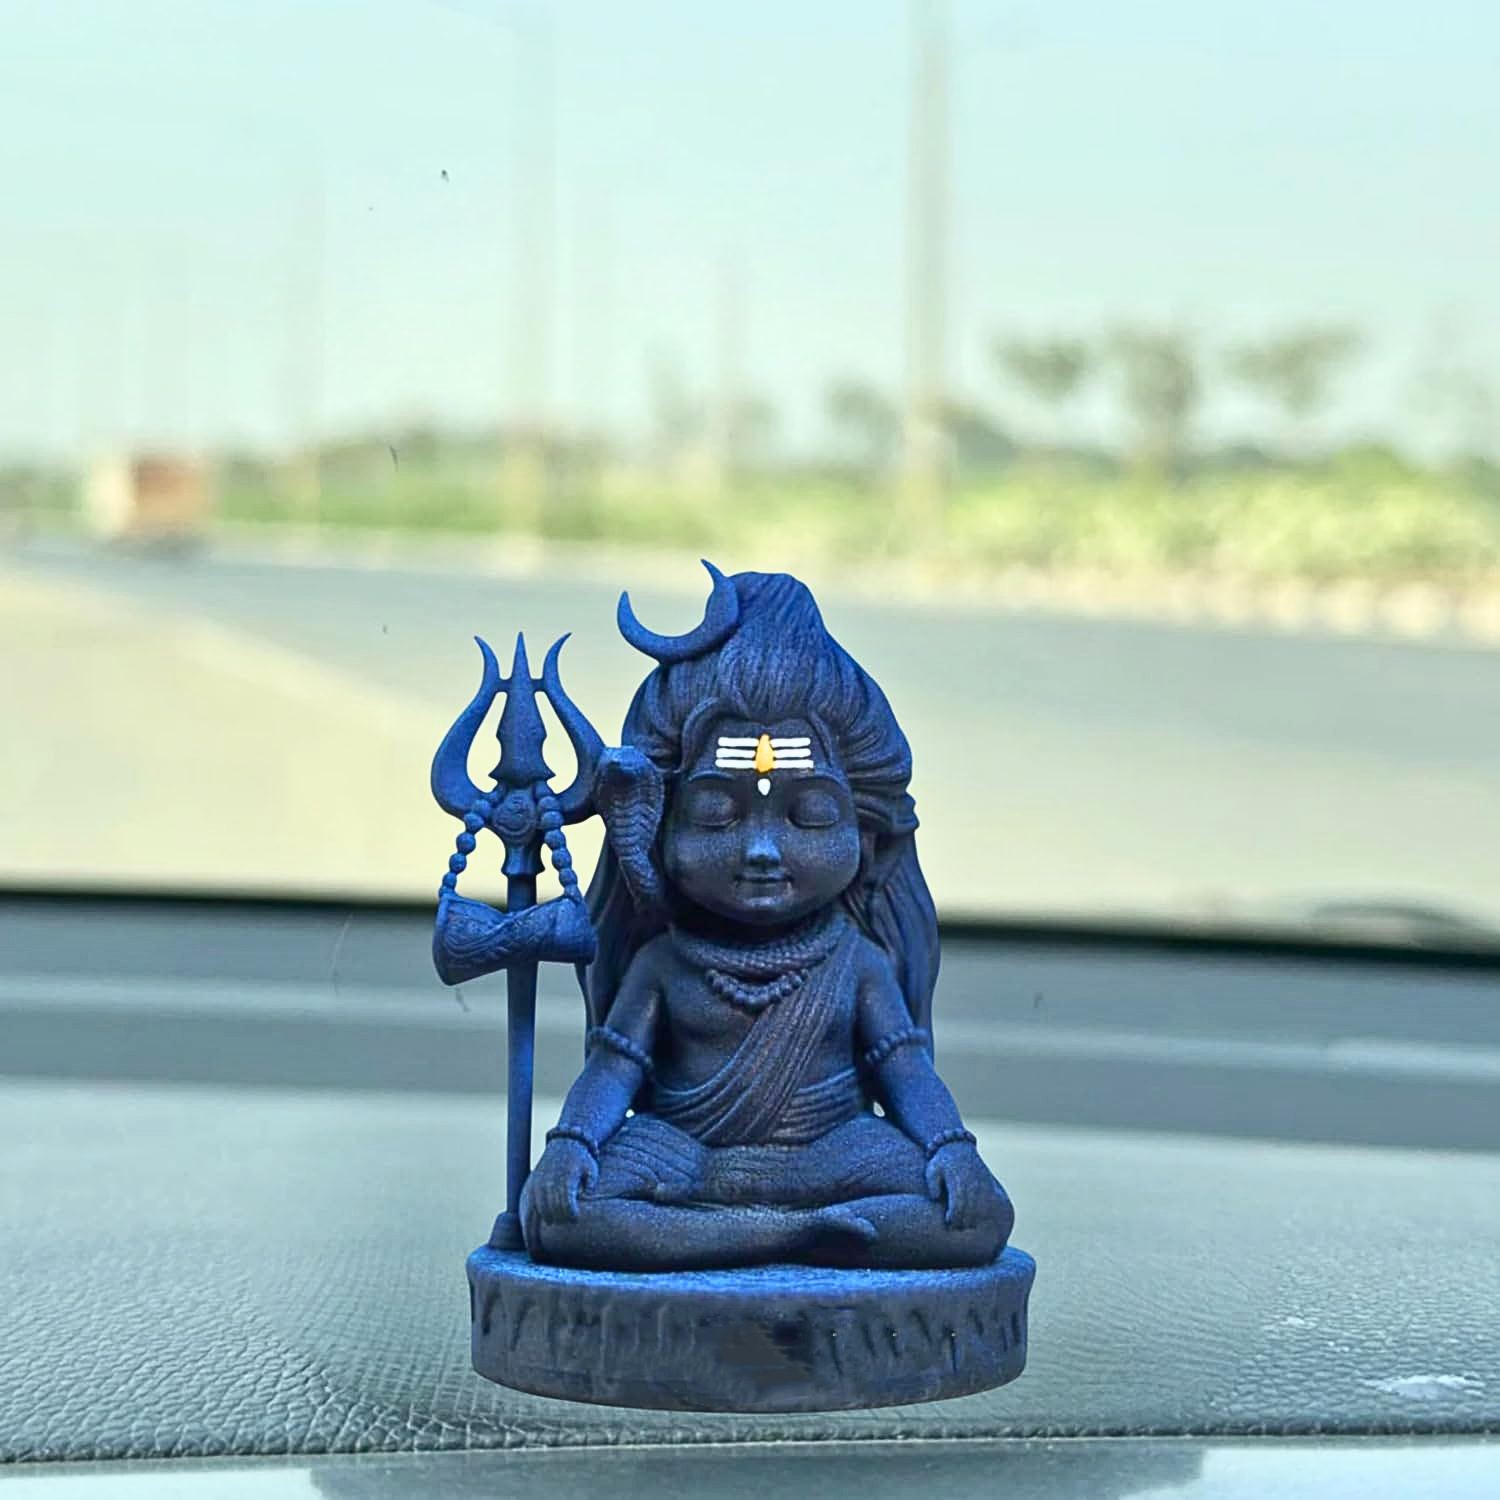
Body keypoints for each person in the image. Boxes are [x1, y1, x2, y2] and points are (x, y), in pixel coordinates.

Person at [521, 568, 1013, 1271]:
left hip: (833, 1154)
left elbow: (903, 1068)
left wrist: (951, 1150)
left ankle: (724, 1239)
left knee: (975, 1219)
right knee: (560, 1219)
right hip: (685, 1156)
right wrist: (572, 1146)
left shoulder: (855, 961)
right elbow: (613, 1067)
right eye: (715, 813)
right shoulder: (665, 963)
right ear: (660, 830)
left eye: (809, 814)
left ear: (867, 836)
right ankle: (786, 1237)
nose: (761, 850)